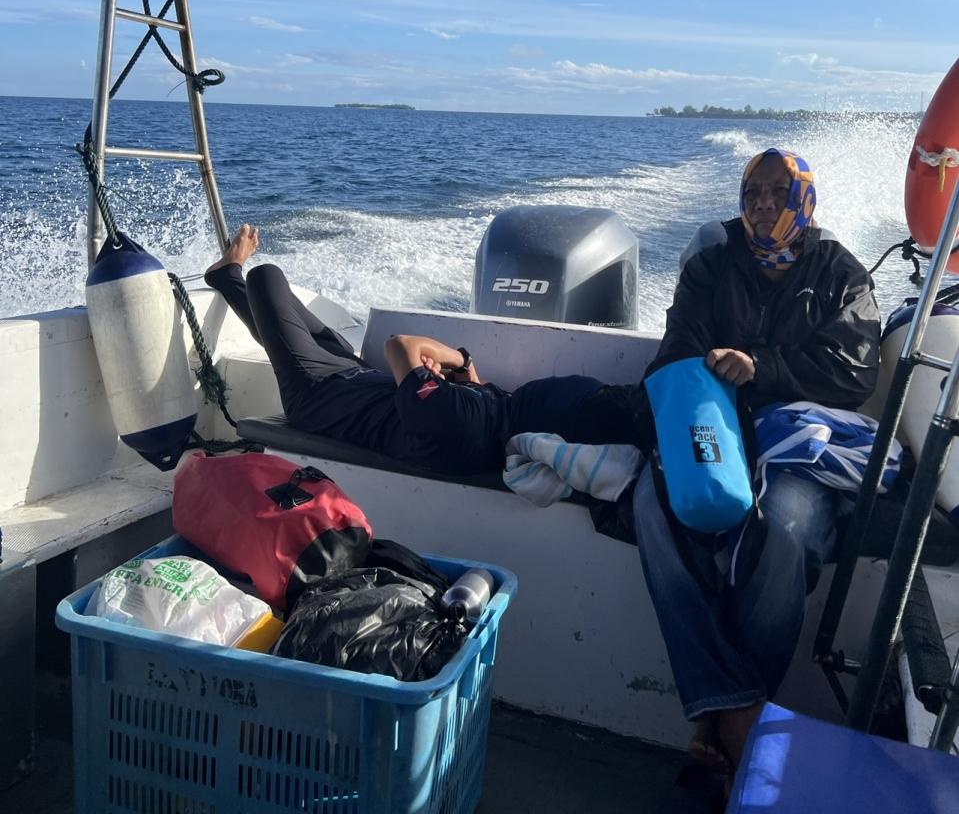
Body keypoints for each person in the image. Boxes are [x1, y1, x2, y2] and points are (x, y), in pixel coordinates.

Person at [632, 148, 880, 780]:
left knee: (788, 525)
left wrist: (761, 367)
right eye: (753, 193)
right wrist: (712, 376)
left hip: (799, 444)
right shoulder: (712, 265)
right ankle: (738, 709)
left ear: (804, 199)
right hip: (720, 426)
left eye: (778, 192)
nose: (764, 204)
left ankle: (723, 717)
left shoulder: (841, 272)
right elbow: (677, 347)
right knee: (653, 504)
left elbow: (855, 372)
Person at [204, 224, 635, 476]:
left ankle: (232, 272)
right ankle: (225, 278)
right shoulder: (500, 421)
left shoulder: (461, 419)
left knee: (266, 277)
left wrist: (460, 360)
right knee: (289, 325)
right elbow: (463, 394)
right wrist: (463, 380)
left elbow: (400, 346)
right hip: (355, 375)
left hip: (319, 393)